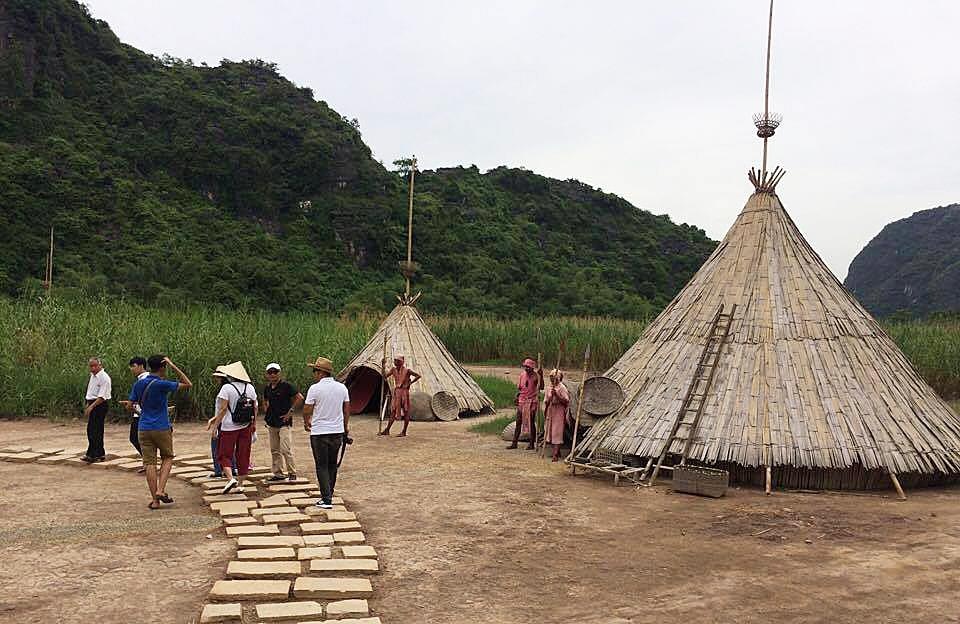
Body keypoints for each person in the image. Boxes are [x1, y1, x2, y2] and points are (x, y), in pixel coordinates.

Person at [129, 355, 192, 509]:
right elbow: (187, 383)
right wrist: (173, 365)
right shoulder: (162, 384)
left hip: (143, 427)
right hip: (161, 427)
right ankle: (160, 490)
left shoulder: (139, 384)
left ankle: (155, 501)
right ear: (163, 367)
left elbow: (130, 404)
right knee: (168, 457)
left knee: (149, 463)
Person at [303, 356, 350, 509]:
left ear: (320, 373)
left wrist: (306, 421)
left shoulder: (315, 388)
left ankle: (326, 498)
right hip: (337, 431)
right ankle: (329, 492)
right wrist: (345, 426)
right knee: (332, 464)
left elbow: (307, 409)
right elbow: (346, 409)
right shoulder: (342, 388)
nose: (314, 374)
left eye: (314, 371)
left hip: (319, 432)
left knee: (321, 465)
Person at [206, 361, 257, 495]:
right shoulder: (250, 388)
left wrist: (215, 427)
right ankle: (240, 484)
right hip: (245, 425)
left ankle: (230, 479)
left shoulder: (227, 389)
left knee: (224, 454)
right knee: (243, 454)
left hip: (229, 426)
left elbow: (223, 409)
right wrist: (254, 424)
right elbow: (255, 407)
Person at [262, 362, 304, 482]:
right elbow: (265, 399)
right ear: (267, 374)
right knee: (274, 450)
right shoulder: (267, 388)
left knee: (285, 448)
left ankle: (292, 473)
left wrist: (290, 411)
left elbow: (299, 397)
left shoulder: (286, 386)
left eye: (275, 372)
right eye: (270, 372)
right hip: (271, 422)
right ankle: (278, 473)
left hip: (284, 422)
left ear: (279, 373)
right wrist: (266, 408)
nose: (272, 375)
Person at [119, 356, 149, 473]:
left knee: (136, 438)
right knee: (135, 438)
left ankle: (149, 462)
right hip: (138, 412)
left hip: (142, 413)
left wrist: (131, 404)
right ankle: (147, 462)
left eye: (133, 366)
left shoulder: (144, 379)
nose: (131, 369)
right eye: (130, 367)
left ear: (141, 366)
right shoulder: (140, 378)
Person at [378, 354, 421, 437]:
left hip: (404, 393)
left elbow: (418, 376)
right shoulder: (393, 370)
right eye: (395, 361)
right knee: (393, 411)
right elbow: (384, 377)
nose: (395, 362)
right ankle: (387, 430)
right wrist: (383, 366)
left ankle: (404, 431)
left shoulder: (407, 370)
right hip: (397, 393)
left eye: (397, 361)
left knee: (406, 412)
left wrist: (410, 383)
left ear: (401, 362)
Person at [507, 357, 542, 450]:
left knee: (531, 421)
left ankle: (531, 443)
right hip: (522, 400)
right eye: (525, 367)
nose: (526, 368)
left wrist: (541, 376)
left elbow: (541, 387)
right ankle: (514, 442)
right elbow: (520, 388)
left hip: (531, 401)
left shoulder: (536, 376)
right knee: (518, 421)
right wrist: (516, 396)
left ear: (532, 368)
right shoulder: (522, 375)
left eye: (528, 367)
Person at [82, 357, 112, 463]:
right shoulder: (92, 376)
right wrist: (87, 404)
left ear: (100, 365)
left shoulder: (104, 378)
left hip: (99, 404)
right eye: (91, 366)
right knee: (91, 430)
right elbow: (90, 391)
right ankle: (92, 453)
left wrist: (92, 407)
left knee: (97, 430)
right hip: (92, 402)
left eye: (95, 366)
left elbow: (102, 396)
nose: (93, 368)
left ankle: (98, 454)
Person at [543, 369, 571, 462]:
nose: (552, 379)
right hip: (550, 410)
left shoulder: (562, 388)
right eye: (551, 377)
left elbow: (566, 401)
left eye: (554, 377)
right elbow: (546, 401)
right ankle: (556, 451)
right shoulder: (549, 387)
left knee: (557, 431)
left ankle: (555, 454)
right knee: (550, 430)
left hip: (559, 411)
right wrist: (546, 408)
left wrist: (557, 395)